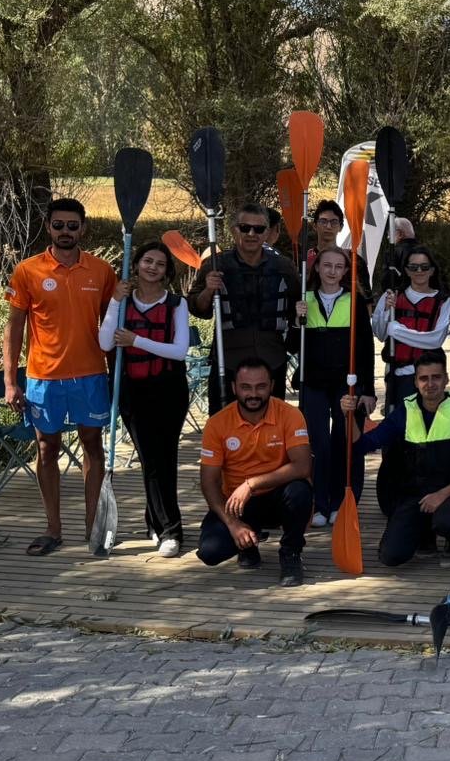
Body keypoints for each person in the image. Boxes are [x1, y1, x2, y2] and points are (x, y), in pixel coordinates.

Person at [3, 198, 116, 557]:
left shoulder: (101, 270)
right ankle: (53, 528)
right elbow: (13, 328)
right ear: (48, 227)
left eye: (72, 225)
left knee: (92, 446)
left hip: (90, 375)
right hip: (44, 377)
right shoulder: (27, 271)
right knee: (45, 448)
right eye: (58, 225)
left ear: (83, 228)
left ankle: (93, 527)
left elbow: (112, 326)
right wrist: (10, 382)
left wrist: (117, 374)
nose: (65, 231)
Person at [98, 241, 191, 558]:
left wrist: (136, 339)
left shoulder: (176, 304)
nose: (153, 267)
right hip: (132, 390)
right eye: (147, 261)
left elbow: (179, 350)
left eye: (160, 264)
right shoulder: (122, 302)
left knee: (162, 458)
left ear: (167, 271)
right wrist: (114, 301)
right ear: (136, 264)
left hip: (168, 389)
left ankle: (171, 531)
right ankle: (156, 522)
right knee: (150, 458)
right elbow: (104, 342)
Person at [344, 350, 450, 566]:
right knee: (390, 556)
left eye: (436, 377)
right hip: (414, 495)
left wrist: (441, 495)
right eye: (424, 378)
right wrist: (348, 416)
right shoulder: (404, 411)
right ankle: (425, 535)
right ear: (415, 382)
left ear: (446, 379)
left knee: (448, 520)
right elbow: (362, 445)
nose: (430, 384)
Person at [196, 358, 313, 586]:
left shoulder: (290, 414)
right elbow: (208, 483)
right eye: (245, 387)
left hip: (277, 497)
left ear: (271, 386)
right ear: (234, 388)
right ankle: (247, 543)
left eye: (260, 386)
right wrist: (233, 524)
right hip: (236, 503)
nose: (253, 394)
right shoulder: (217, 423)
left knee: (300, 491)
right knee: (210, 551)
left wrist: (250, 484)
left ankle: (291, 553)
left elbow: (303, 466)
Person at [294, 246, 375, 527]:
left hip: (346, 383)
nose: (332, 271)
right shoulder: (304, 300)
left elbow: (365, 348)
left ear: (346, 272)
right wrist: (296, 321)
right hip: (314, 382)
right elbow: (292, 345)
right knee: (318, 443)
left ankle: (343, 501)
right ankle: (320, 502)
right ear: (317, 268)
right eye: (327, 265)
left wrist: (368, 390)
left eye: (338, 267)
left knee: (345, 440)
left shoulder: (355, 302)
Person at [188, 202, 298, 410]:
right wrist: (209, 290)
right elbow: (197, 308)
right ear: (234, 230)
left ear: (267, 233)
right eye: (245, 228)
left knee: (271, 424)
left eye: (259, 229)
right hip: (228, 362)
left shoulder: (284, 267)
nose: (251, 234)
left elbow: (296, 311)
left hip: (272, 360)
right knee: (224, 423)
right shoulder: (216, 264)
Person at [373, 244, 450, 411]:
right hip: (397, 374)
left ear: (432, 270)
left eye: (424, 267)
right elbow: (380, 334)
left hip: (428, 376)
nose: (419, 271)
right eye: (413, 267)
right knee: (398, 421)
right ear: (407, 271)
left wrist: (396, 330)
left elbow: (435, 339)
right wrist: (386, 312)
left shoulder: (443, 301)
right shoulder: (392, 296)